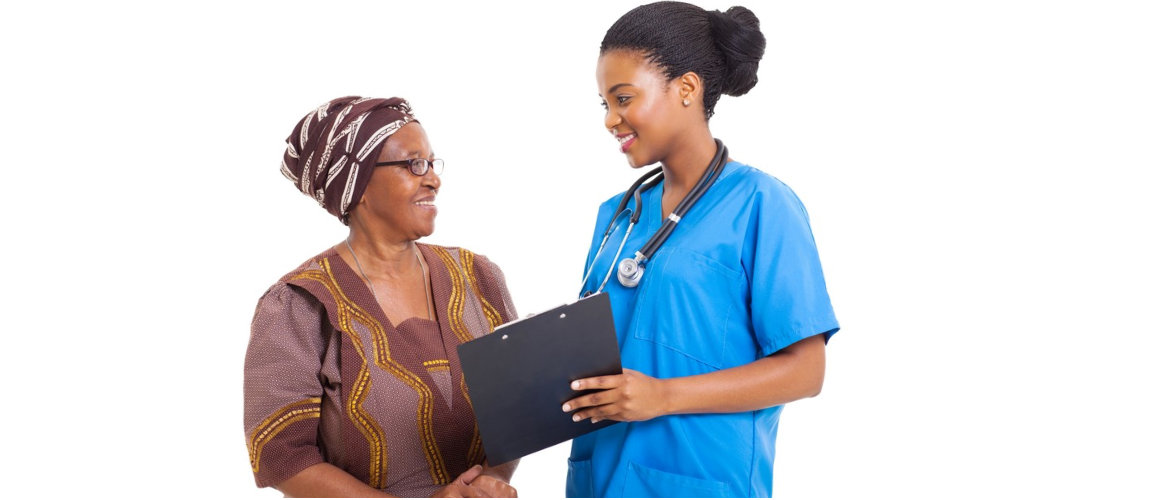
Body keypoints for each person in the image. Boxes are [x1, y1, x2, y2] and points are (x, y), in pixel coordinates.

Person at [562, 3, 840, 497]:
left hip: (698, 480)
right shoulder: (617, 214)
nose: (610, 119)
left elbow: (806, 370)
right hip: (600, 478)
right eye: (604, 103)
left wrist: (662, 395)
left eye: (623, 97)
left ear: (687, 88)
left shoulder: (761, 205)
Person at [246, 96, 519, 497]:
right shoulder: (299, 305)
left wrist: (489, 482)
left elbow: (518, 406)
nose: (433, 179)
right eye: (413, 164)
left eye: (431, 162)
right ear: (356, 185)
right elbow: (282, 458)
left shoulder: (478, 278)